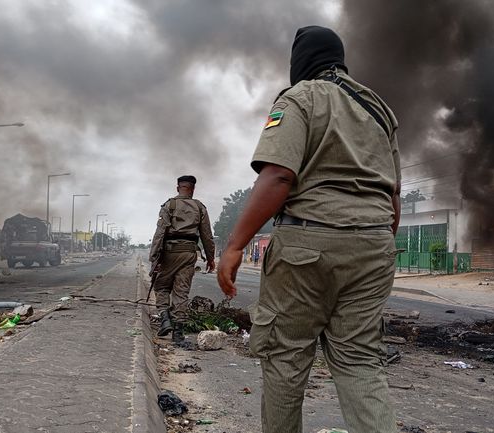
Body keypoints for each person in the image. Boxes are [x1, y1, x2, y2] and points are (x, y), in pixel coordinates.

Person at [217, 26, 402, 433]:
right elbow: (394, 197)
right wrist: (376, 244)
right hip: (374, 245)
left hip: (308, 243)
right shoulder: (377, 108)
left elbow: (279, 175)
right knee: (359, 360)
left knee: (286, 357)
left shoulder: (299, 98)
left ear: (301, 61)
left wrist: (235, 246)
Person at [150, 175, 216, 343]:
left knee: (162, 286)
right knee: (182, 291)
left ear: (177, 187)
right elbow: (207, 236)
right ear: (192, 189)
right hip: (189, 253)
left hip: (169, 252)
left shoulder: (169, 205)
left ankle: (165, 319)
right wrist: (210, 258)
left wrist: (154, 257)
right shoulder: (200, 207)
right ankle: (178, 333)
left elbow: (159, 233)